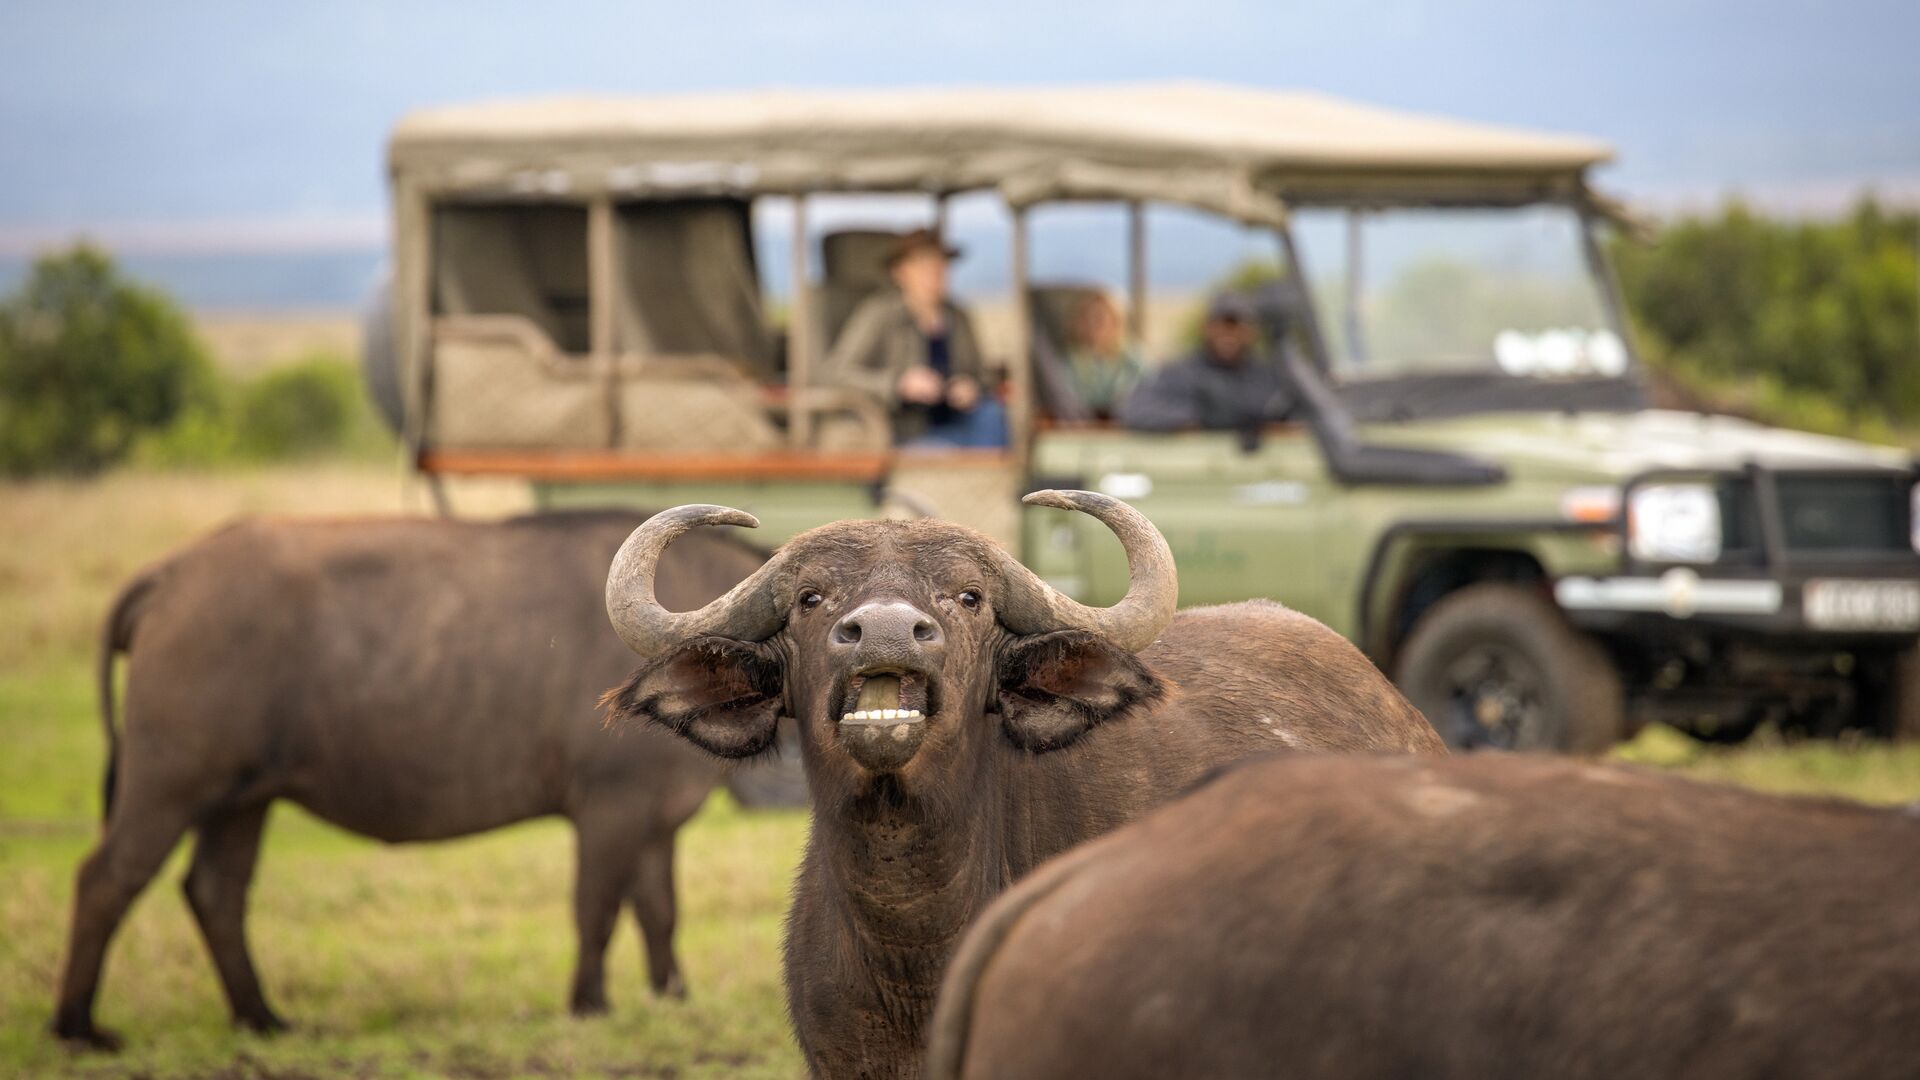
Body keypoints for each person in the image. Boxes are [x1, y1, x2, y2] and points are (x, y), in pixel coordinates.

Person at [819, 229, 1006, 447]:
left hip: (959, 421)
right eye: (925, 265)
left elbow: (983, 375)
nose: (935, 273)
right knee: (941, 450)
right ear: (901, 272)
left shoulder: (958, 315)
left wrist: (971, 387)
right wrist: (898, 385)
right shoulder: (880, 314)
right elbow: (835, 372)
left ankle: (991, 477)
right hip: (905, 429)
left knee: (993, 414)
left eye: (941, 265)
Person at [1119, 291, 1299, 432]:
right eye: (1220, 324)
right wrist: (1197, 417)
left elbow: (1300, 415)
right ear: (1206, 328)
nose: (1227, 334)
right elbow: (1135, 410)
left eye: (1235, 325)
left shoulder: (1269, 376)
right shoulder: (1181, 373)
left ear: (1251, 332)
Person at [1055, 291, 1144, 421]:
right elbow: (1066, 399)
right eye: (1087, 319)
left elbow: (1148, 389)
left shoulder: (1133, 358)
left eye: (1100, 319)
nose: (1094, 326)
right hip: (1082, 426)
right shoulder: (1069, 361)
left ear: (1116, 321)